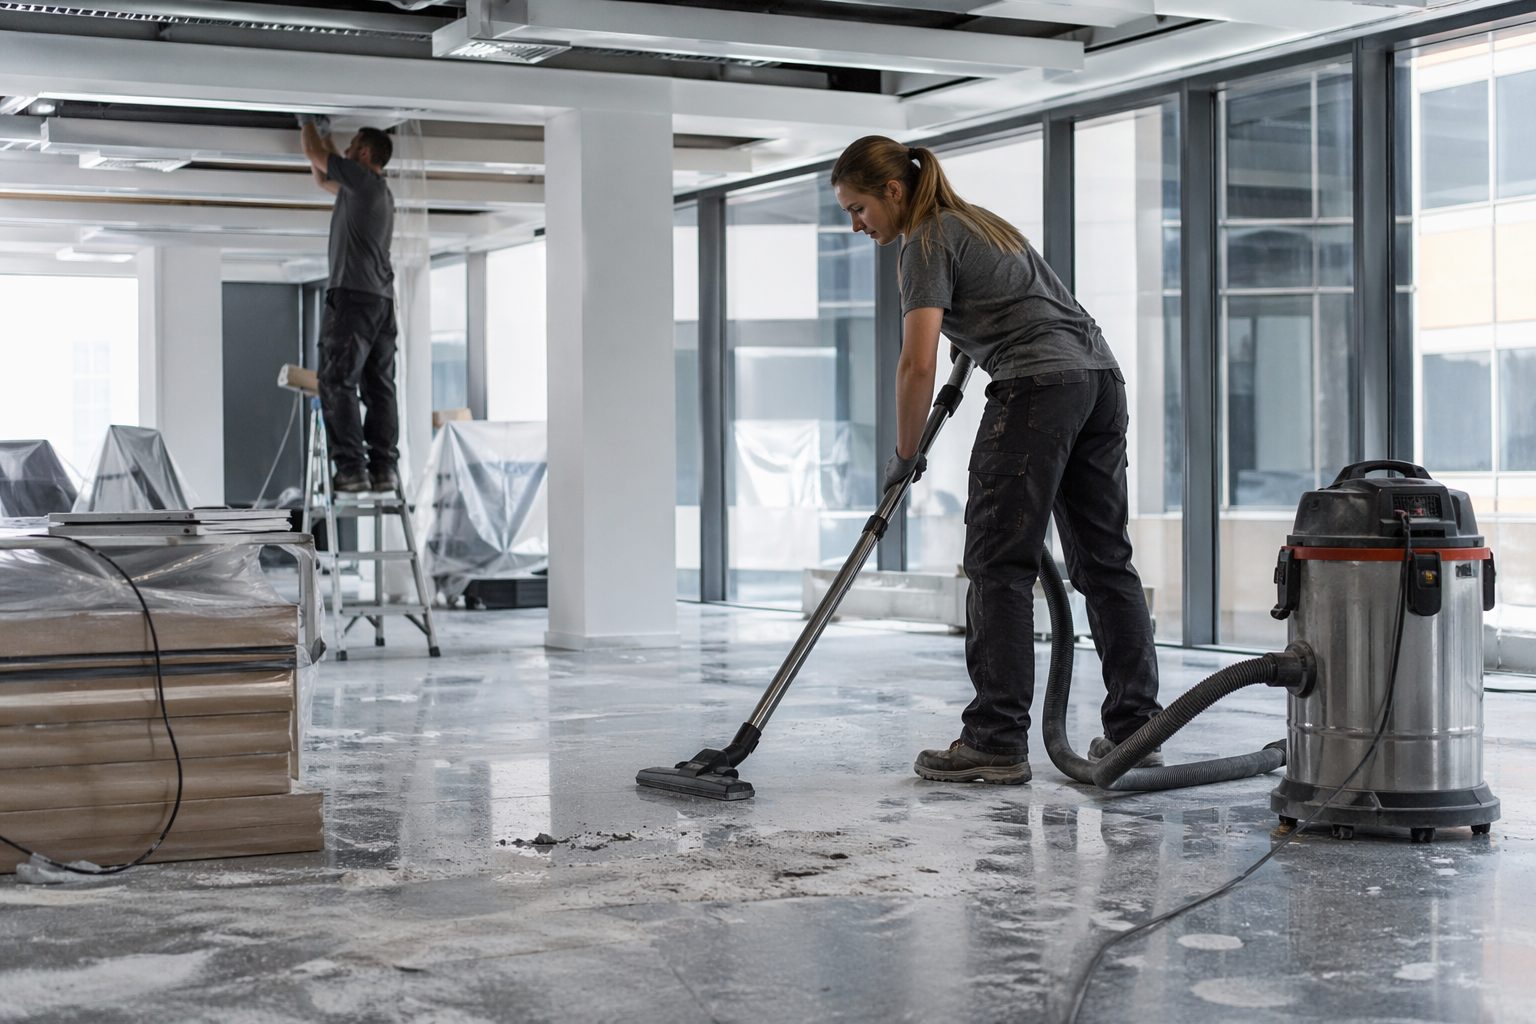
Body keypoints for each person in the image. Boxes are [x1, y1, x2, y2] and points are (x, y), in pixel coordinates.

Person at [830, 135, 1163, 786]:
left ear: (893, 193)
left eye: (858, 208)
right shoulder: (982, 224)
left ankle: (994, 740)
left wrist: (904, 458)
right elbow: (1016, 312)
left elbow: (916, 362)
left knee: (997, 563)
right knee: (1104, 563)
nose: (856, 224)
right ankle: (1138, 733)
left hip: (1038, 390)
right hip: (1098, 383)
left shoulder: (924, 240)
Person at [298, 114, 400, 493]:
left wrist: (307, 119)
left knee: (337, 380)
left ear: (367, 152)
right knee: (378, 386)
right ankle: (383, 468)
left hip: (354, 297)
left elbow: (313, 153)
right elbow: (322, 174)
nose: (346, 150)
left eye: (352, 146)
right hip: (380, 302)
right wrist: (321, 137)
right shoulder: (371, 191)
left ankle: (352, 468)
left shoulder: (364, 180)